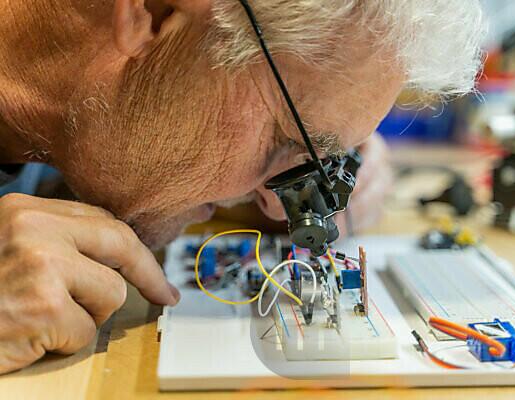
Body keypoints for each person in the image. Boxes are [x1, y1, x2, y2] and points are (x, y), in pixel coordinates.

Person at [0, 0, 484, 373]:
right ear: (154, 9)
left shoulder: (79, 120)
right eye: (285, 138)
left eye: (324, 160)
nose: (280, 211)